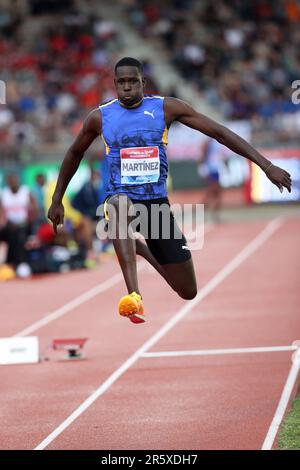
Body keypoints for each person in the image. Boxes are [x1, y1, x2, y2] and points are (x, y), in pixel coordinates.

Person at [48, 57, 292, 324]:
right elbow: (74, 152)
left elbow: (219, 133)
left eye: (133, 82)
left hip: (156, 206)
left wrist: (266, 166)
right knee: (118, 206)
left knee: (187, 290)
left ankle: (139, 248)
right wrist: (57, 198)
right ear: (115, 84)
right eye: (121, 83)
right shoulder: (100, 117)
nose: (127, 88)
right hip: (121, 198)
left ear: (143, 82)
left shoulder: (166, 108)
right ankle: (134, 295)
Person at [0, 173, 37, 267]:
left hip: (25, 224)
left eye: (14, 180)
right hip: (9, 225)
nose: (12, 183)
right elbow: (1, 213)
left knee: (20, 236)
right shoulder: (4, 194)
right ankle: (8, 262)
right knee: (10, 233)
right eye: (10, 181)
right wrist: (4, 223)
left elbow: (34, 209)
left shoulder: (26, 191)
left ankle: (22, 263)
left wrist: (29, 221)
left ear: (18, 181)